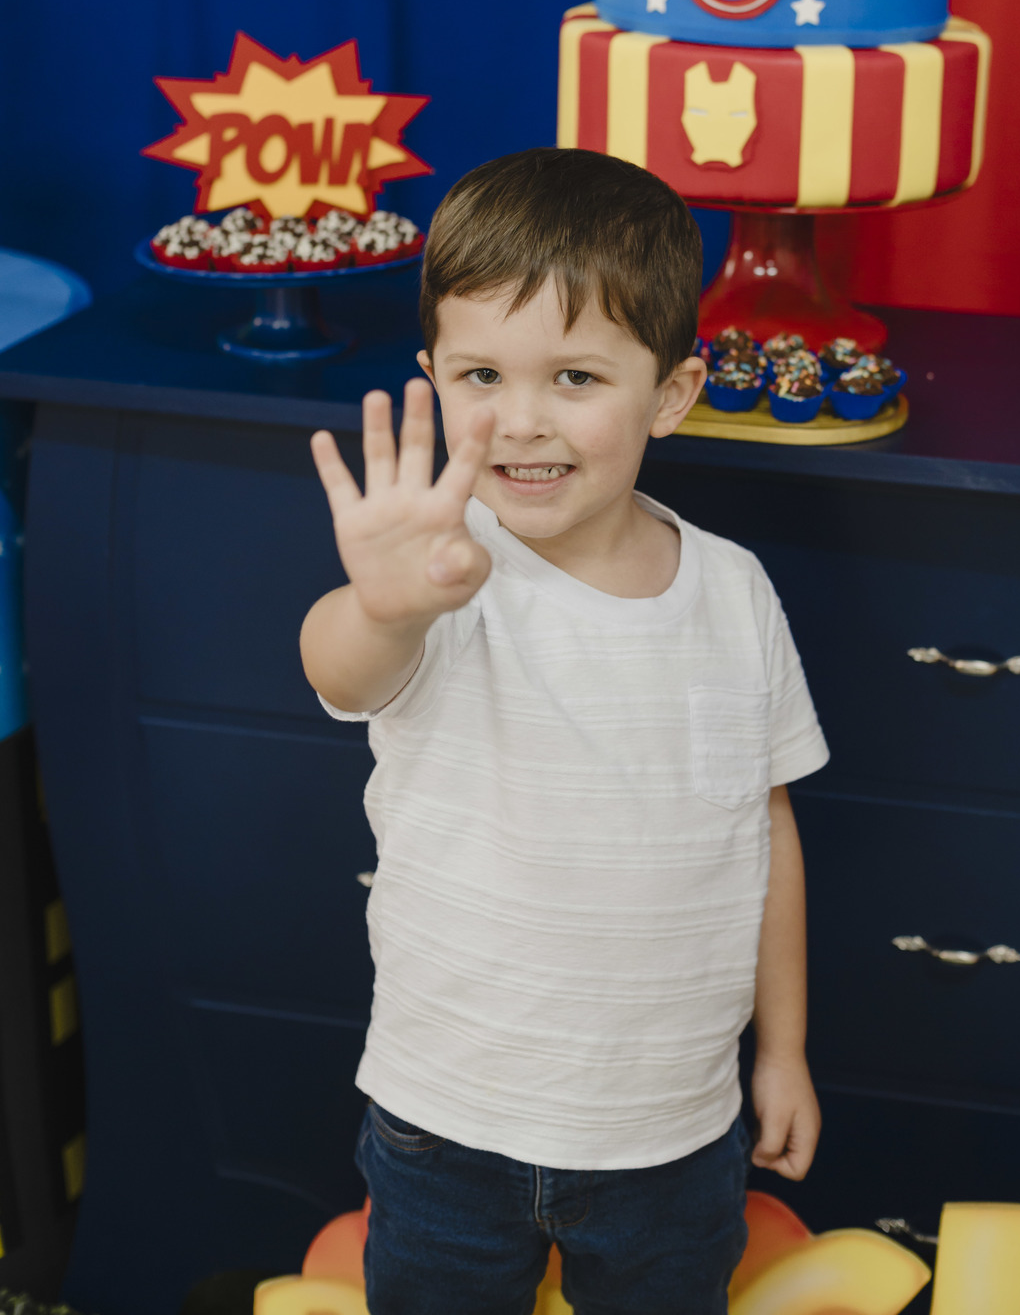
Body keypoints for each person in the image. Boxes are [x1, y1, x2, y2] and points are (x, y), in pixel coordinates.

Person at [300, 147, 829, 1315]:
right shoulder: (442, 576)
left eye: (578, 377)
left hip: (675, 1136)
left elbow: (767, 833)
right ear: (434, 376)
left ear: (672, 396)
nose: (522, 421)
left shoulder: (734, 592)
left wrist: (780, 1051)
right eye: (482, 372)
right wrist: (385, 604)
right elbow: (342, 664)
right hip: (447, 1127)